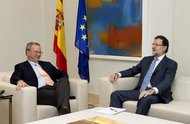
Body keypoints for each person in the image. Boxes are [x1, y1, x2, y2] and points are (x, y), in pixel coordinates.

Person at [109, 35, 178, 115]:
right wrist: (118, 74)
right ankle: (115, 120)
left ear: (164, 48)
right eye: (153, 44)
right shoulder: (146, 60)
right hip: (140, 91)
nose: (153, 47)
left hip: (157, 94)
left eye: (157, 45)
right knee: (116, 94)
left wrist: (151, 91)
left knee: (144, 98)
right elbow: (133, 70)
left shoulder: (171, 64)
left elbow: (167, 81)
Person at [10, 42, 70, 115]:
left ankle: (63, 108)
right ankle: (65, 107)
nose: (38, 54)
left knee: (63, 80)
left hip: (54, 88)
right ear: (28, 53)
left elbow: (63, 74)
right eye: (36, 52)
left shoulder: (47, 64)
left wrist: (63, 85)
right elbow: (14, 77)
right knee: (61, 95)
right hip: (40, 92)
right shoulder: (21, 66)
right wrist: (19, 80)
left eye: (40, 52)